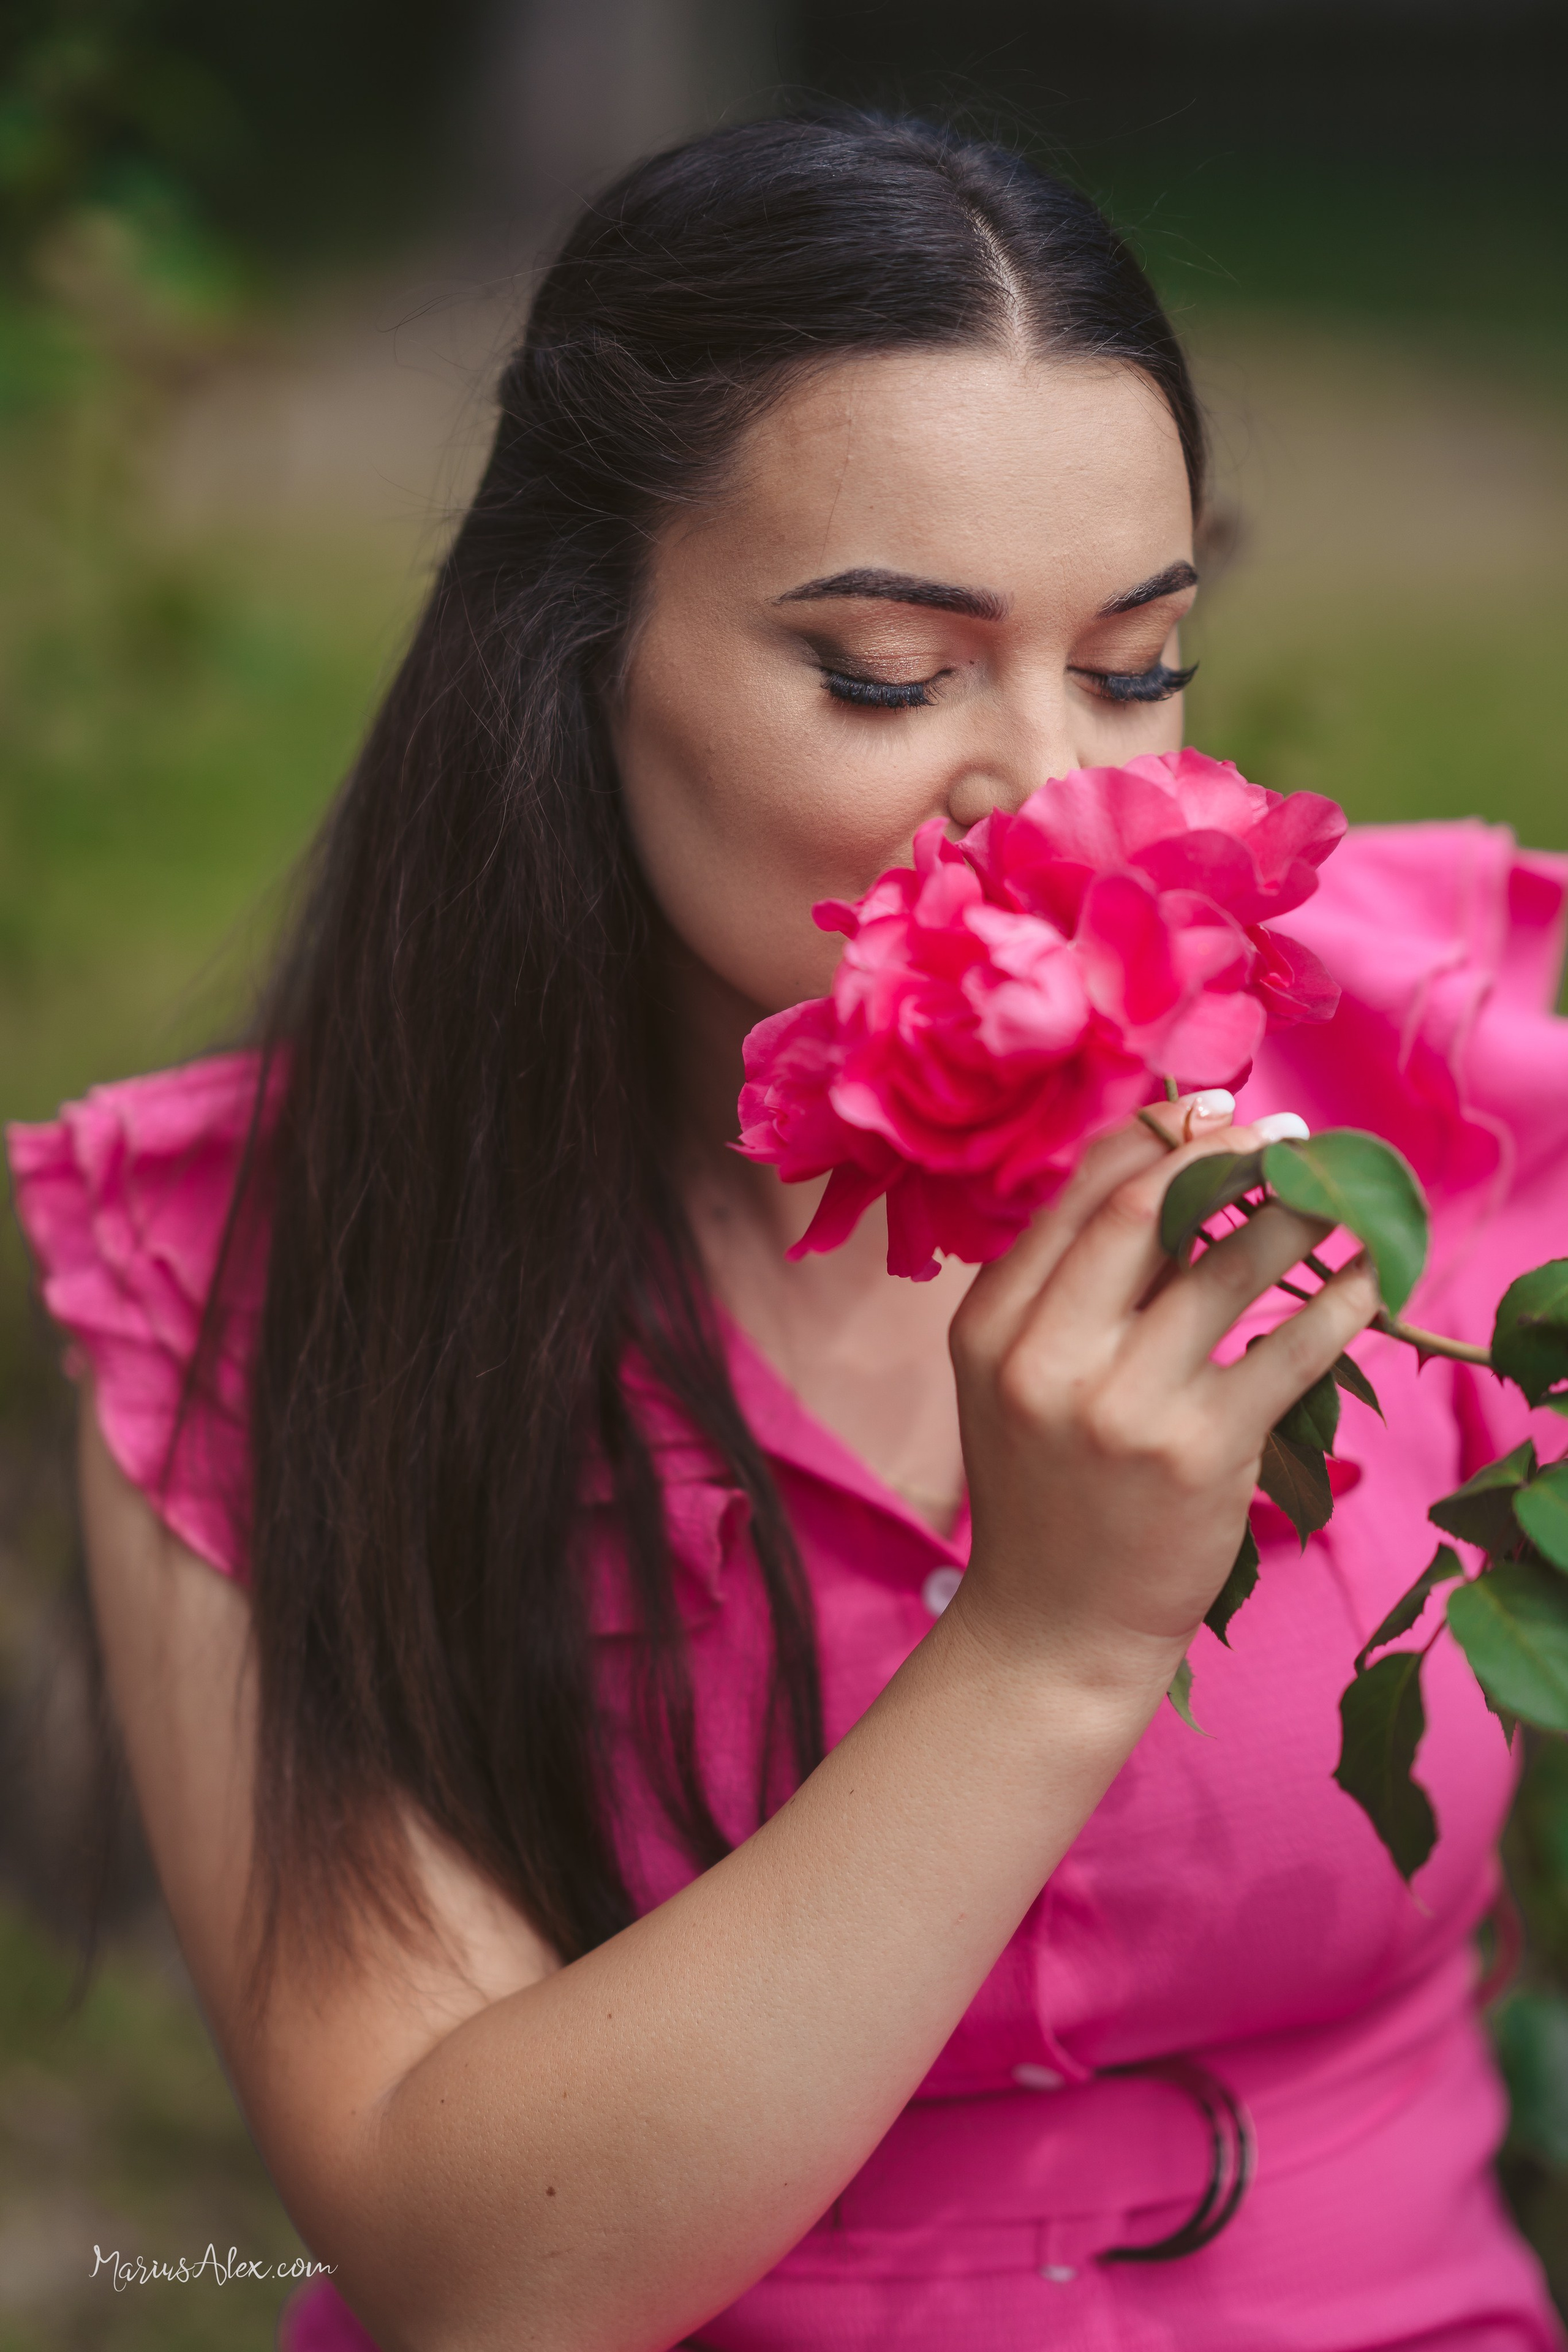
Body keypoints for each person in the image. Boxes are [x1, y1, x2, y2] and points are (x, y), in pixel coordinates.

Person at [9, 113, 1568, 2352]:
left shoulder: (1428, 1066)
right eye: (889, 675)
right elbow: (475, 2274)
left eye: (1137, 665)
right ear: (576, 654)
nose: (1050, 798)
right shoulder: (256, 1276)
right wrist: (1047, 1645)